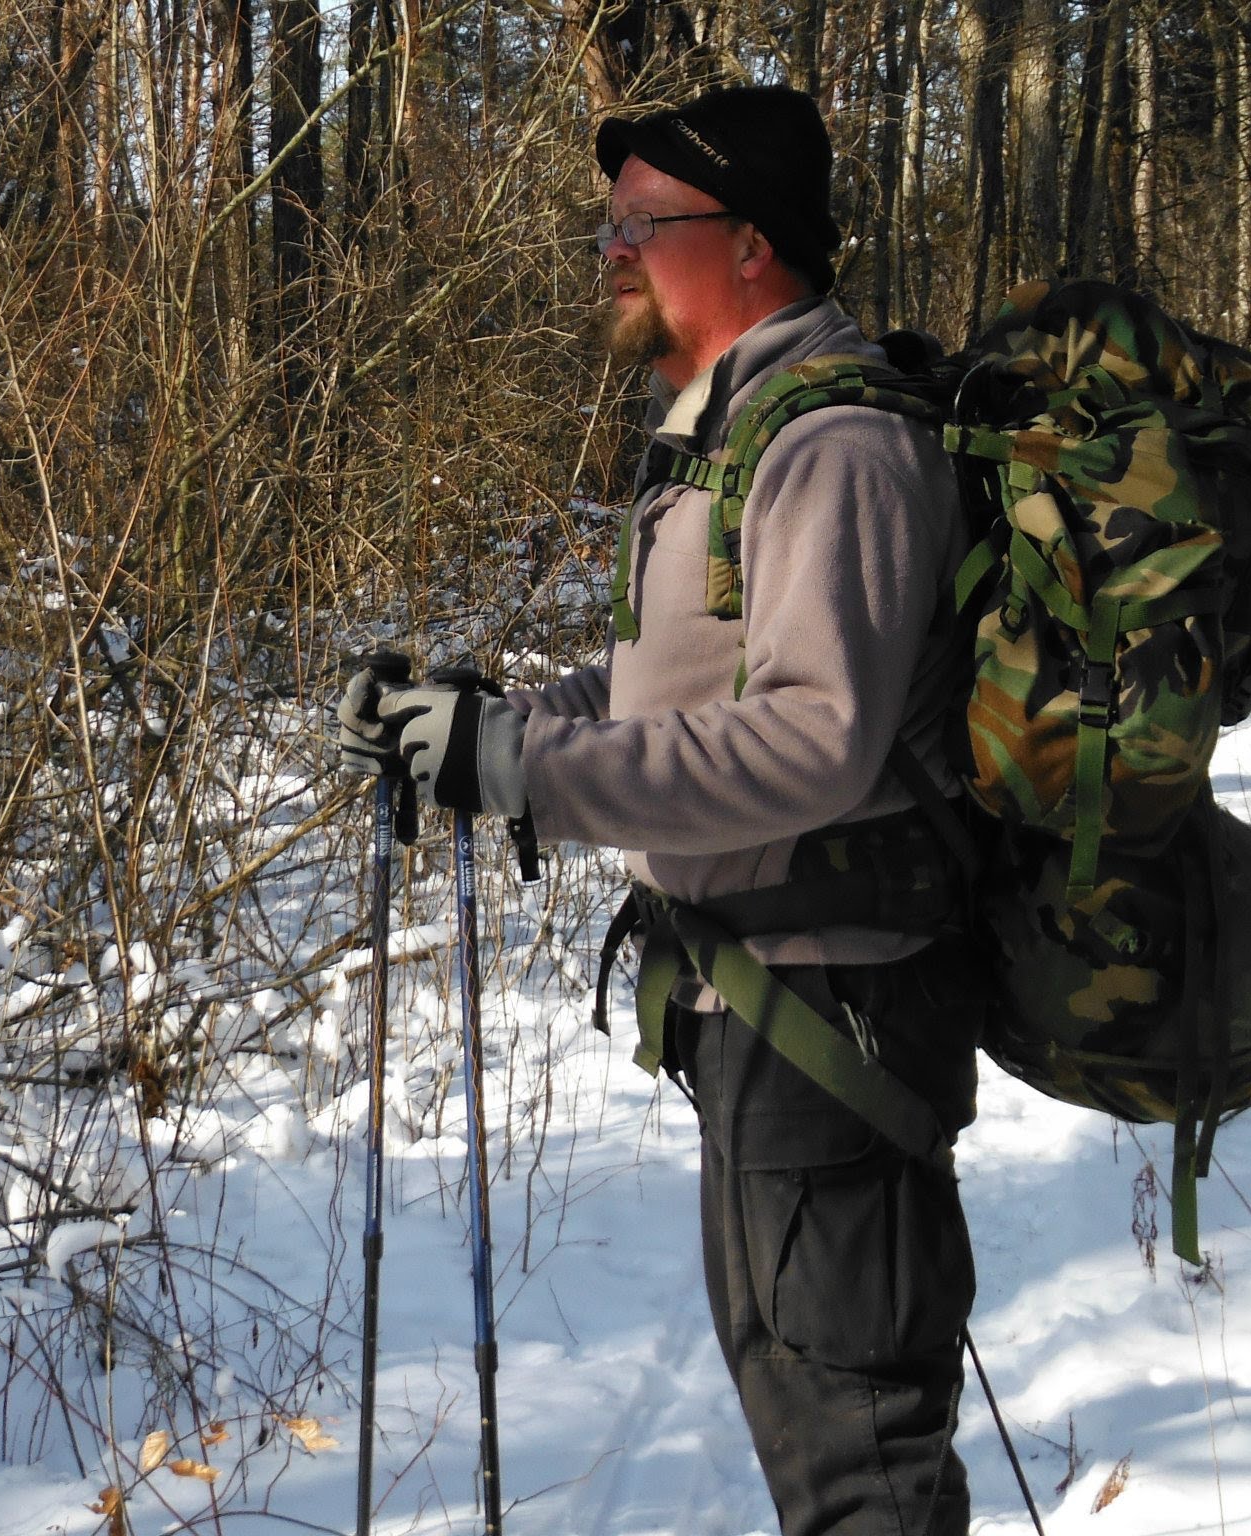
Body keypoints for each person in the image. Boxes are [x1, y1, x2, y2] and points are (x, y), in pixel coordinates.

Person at [336, 84, 984, 1536]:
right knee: (821, 1443)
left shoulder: (836, 444)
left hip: (835, 1020)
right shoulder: (730, 432)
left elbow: (813, 738)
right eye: (610, 225)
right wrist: (485, 727)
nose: (612, 251)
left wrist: (526, 769)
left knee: (860, 1469)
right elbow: (665, 691)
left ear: (753, 241)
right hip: (761, 1013)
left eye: (645, 223)